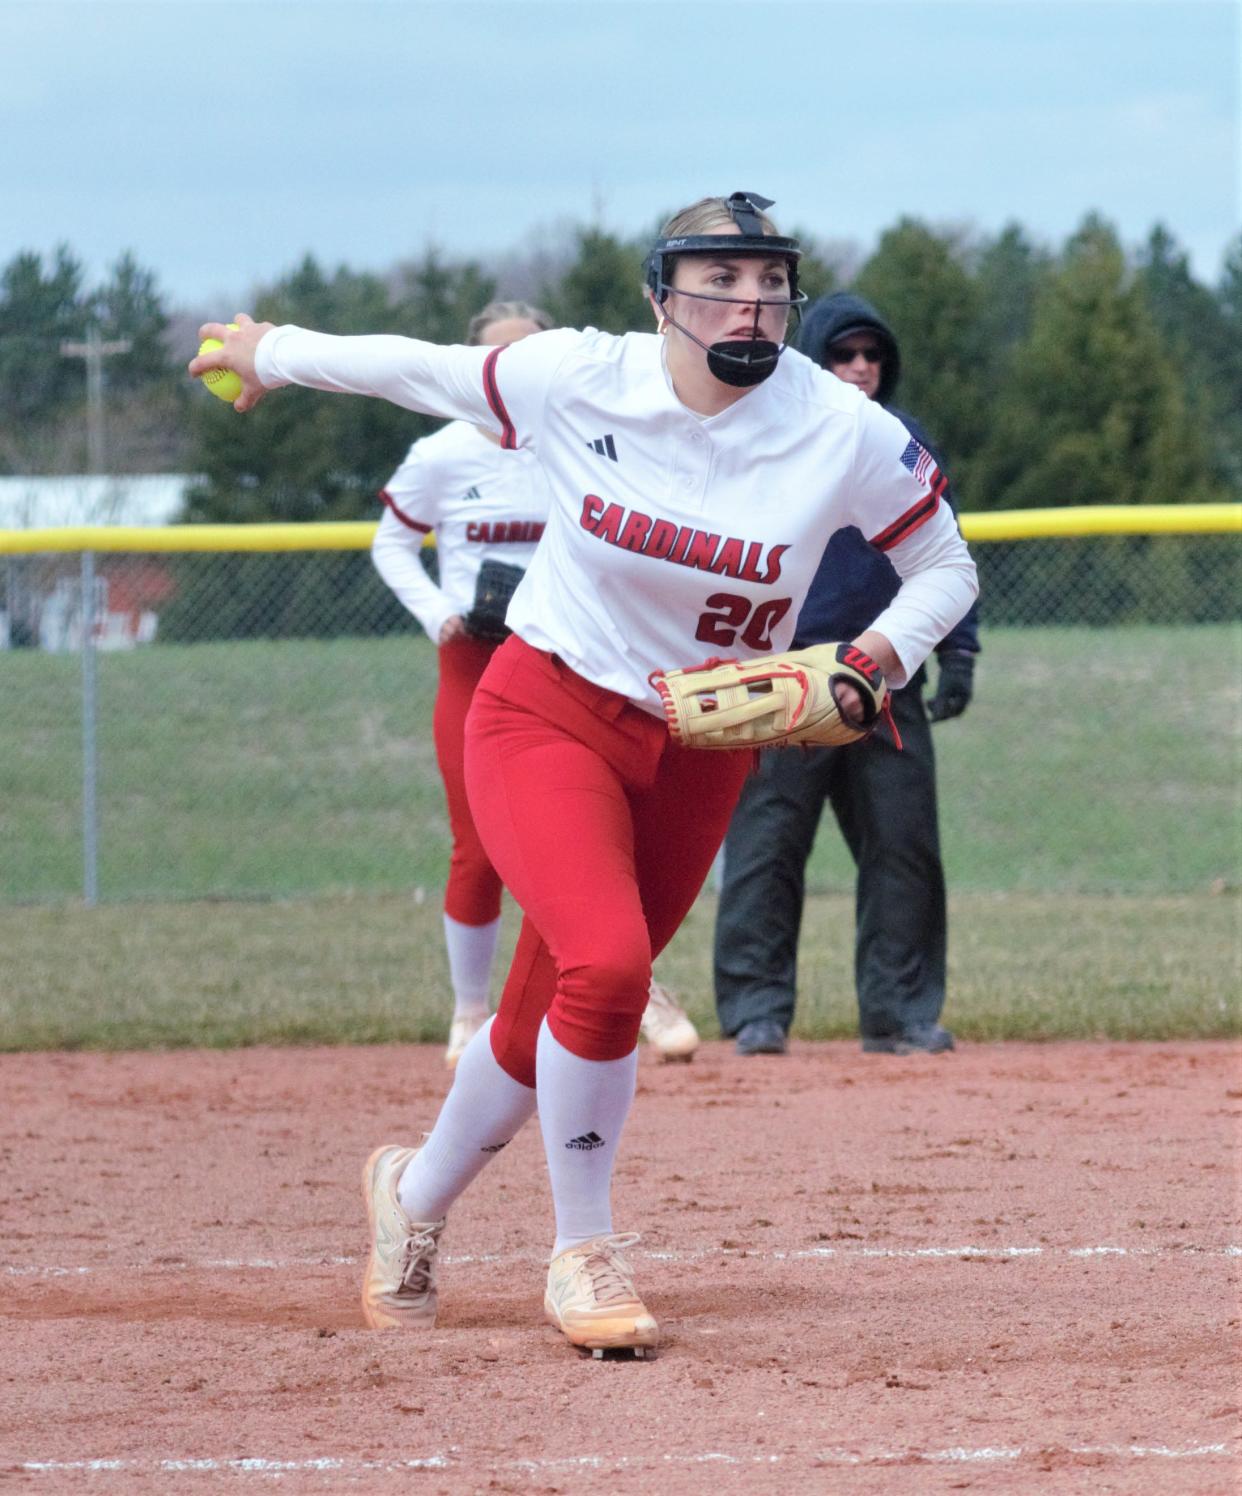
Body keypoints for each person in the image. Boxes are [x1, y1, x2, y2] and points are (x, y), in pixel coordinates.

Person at [190, 191, 978, 1359]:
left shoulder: (839, 424)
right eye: (719, 278)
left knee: (542, 1016)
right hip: (546, 711)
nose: (748, 299)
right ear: (662, 296)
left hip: (700, 745)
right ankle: (584, 1250)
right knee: (610, 970)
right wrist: (272, 352)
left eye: (768, 280)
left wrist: (871, 662)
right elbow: (415, 367)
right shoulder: (578, 376)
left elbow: (943, 566)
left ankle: (410, 1199)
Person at [373, 299, 701, 1068]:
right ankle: (469, 1012)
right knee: (480, 849)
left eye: (535, 349)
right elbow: (392, 542)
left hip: (582, 657)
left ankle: (633, 986)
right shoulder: (445, 453)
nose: (520, 364)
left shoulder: (590, 439)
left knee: (601, 842)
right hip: (477, 655)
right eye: (503, 353)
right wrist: (435, 609)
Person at [713, 291, 981, 1058]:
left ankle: (898, 1013)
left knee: (904, 849)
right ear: (815, 361)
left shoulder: (904, 442)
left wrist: (958, 652)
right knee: (766, 847)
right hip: (786, 676)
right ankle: (756, 1010)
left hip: (887, 678)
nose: (860, 368)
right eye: (844, 354)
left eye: (873, 356)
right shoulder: (764, 440)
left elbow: (945, 558)